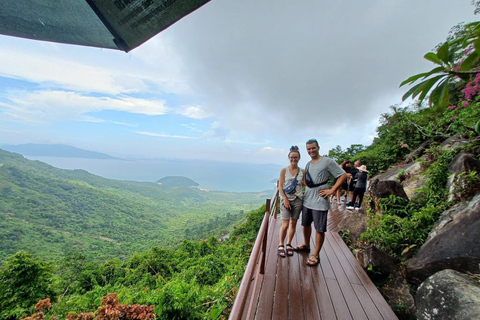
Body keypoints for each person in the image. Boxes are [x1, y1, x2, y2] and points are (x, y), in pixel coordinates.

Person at [294, 139, 348, 266]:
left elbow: (343, 175)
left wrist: (332, 190)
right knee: (305, 225)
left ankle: (316, 254)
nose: (311, 151)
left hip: (320, 200)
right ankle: (306, 245)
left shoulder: (327, 161)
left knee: (319, 228)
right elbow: (306, 181)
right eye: (308, 149)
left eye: (313, 148)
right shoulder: (308, 164)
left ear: (318, 147)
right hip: (308, 198)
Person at [277, 146, 305, 257]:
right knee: (285, 224)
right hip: (286, 200)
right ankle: (281, 244)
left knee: (293, 224)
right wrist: (285, 199)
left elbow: (305, 184)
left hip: (298, 200)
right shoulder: (284, 170)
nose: (294, 159)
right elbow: (280, 185)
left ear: (299, 158)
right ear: (289, 157)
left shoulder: (302, 171)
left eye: (296, 157)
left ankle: (289, 244)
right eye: (292, 157)